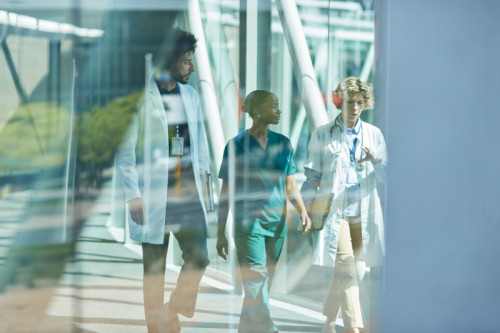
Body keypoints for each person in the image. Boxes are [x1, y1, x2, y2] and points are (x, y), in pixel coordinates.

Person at [116, 28, 211, 333]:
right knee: (154, 272)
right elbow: (125, 152)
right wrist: (133, 195)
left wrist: (207, 194)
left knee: (199, 256)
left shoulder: (191, 96)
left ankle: (174, 308)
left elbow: (202, 149)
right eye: (186, 61)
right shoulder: (139, 98)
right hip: (154, 195)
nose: (191, 68)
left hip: (187, 191)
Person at [216, 90, 312, 333]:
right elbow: (225, 193)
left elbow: (291, 185)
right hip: (249, 226)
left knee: (258, 287)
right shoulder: (235, 145)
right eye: (274, 106)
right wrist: (220, 232)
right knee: (256, 282)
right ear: (257, 111)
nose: (279, 111)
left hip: (277, 226)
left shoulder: (284, 143)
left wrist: (302, 211)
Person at [301, 77, 387, 333]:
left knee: (352, 272)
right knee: (349, 269)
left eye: (361, 102)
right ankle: (354, 328)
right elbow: (311, 178)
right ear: (340, 102)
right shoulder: (322, 134)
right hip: (335, 214)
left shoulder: (374, 134)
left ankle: (328, 318)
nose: (356, 107)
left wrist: (376, 161)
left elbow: (388, 176)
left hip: (363, 213)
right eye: (351, 102)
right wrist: (304, 211)